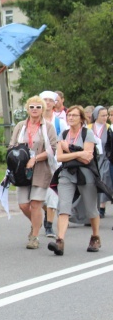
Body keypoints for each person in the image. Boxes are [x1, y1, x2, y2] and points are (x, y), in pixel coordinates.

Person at [49, 106, 101, 255]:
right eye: (69, 115)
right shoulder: (63, 134)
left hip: (86, 174)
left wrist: (69, 149)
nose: (70, 118)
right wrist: (78, 152)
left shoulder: (87, 133)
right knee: (63, 207)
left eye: (74, 115)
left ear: (81, 118)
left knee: (91, 208)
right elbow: (59, 157)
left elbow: (87, 158)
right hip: (67, 173)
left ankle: (95, 236)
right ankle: (60, 241)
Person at [8, 96, 57, 249]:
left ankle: (34, 236)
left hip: (41, 169)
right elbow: (11, 145)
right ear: (27, 109)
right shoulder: (20, 126)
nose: (35, 110)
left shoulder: (48, 127)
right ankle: (36, 223)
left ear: (43, 109)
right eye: (32, 107)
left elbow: (52, 149)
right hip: (21, 170)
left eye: (38, 107)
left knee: (36, 204)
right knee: (23, 205)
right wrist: (17, 157)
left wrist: (35, 159)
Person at [40, 91, 67, 238]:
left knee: (53, 193)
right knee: (38, 196)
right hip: (39, 160)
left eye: (51, 100)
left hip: (55, 162)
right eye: (46, 100)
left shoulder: (60, 122)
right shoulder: (35, 120)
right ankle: (45, 211)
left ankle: (49, 225)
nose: (49, 103)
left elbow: (64, 140)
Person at [88, 106, 113, 218]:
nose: (105, 117)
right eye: (102, 115)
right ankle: (93, 207)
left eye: (106, 115)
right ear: (96, 115)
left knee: (103, 179)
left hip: (104, 158)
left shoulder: (108, 127)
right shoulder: (88, 127)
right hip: (92, 157)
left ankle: (102, 206)